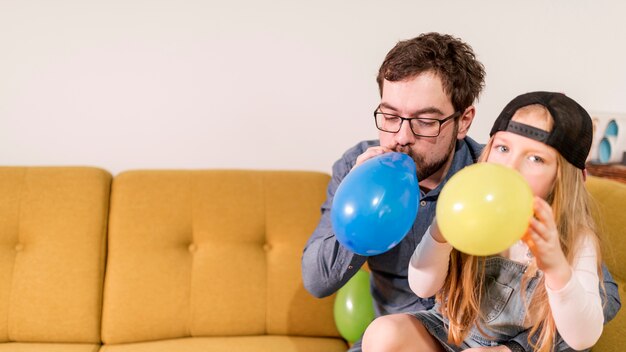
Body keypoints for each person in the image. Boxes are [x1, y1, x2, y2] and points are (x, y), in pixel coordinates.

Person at [301, 32, 620, 352]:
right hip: (408, 337)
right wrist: (364, 213)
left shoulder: (495, 183)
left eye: (425, 121)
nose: (401, 136)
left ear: (464, 120)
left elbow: (602, 299)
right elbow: (318, 281)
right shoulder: (359, 169)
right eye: (390, 116)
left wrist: (517, 348)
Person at [361, 91, 611, 352]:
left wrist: (556, 267)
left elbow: (583, 337)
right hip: (451, 332)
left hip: (519, 348)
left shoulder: (576, 239)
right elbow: (422, 288)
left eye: (535, 158)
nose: (510, 167)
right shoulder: (470, 206)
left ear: (564, 179)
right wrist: (440, 234)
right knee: (383, 334)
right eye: (503, 148)